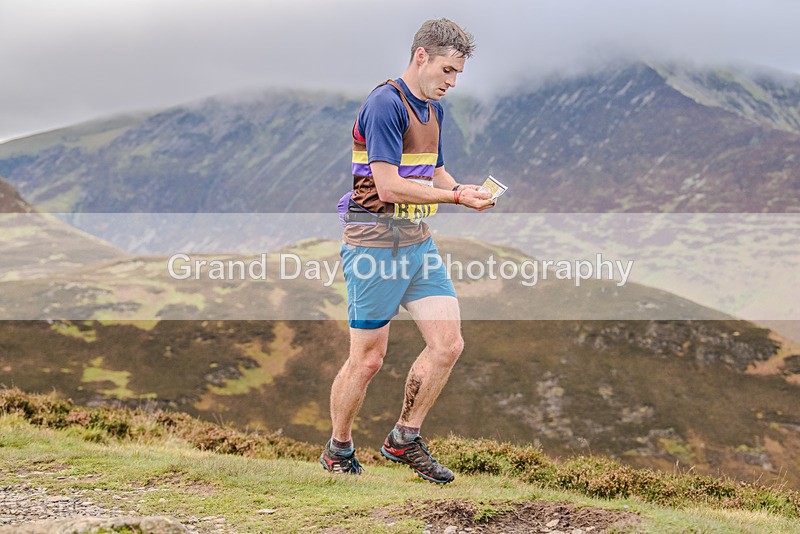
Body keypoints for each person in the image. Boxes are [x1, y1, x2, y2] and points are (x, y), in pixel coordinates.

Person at [321, 18, 494, 484]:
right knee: (368, 359)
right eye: (447, 70)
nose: (452, 82)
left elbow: (433, 172)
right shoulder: (384, 104)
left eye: (458, 74)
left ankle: (404, 438)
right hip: (374, 243)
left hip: (419, 243)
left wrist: (463, 189)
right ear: (421, 57)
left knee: (448, 345)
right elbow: (389, 184)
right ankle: (339, 448)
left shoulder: (433, 109)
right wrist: (455, 199)